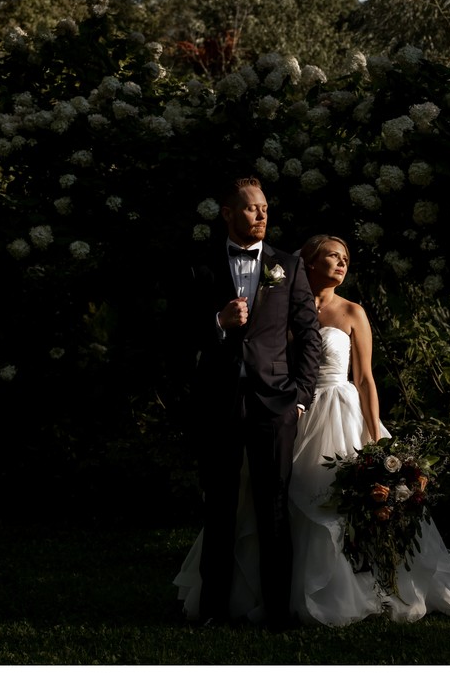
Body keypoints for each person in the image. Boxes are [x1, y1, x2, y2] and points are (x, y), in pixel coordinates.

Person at [287, 234, 450, 624]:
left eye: (345, 258)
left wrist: (373, 436)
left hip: (340, 411)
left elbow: (365, 379)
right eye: (332, 257)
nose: (342, 264)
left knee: (341, 502)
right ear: (308, 262)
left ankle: (355, 589)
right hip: (296, 411)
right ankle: (290, 588)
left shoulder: (353, 312)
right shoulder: (288, 308)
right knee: (294, 493)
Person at [175, 176, 322, 631]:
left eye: (264, 208)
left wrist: (298, 397)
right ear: (227, 214)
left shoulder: (288, 266)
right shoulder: (199, 266)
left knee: (273, 506)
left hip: (274, 403)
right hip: (217, 402)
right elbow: (174, 332)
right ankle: (214, 611)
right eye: (251, 208)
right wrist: (217, 322)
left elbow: (309, 336)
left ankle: (277, 612)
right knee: (219, 506)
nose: (262, 214)